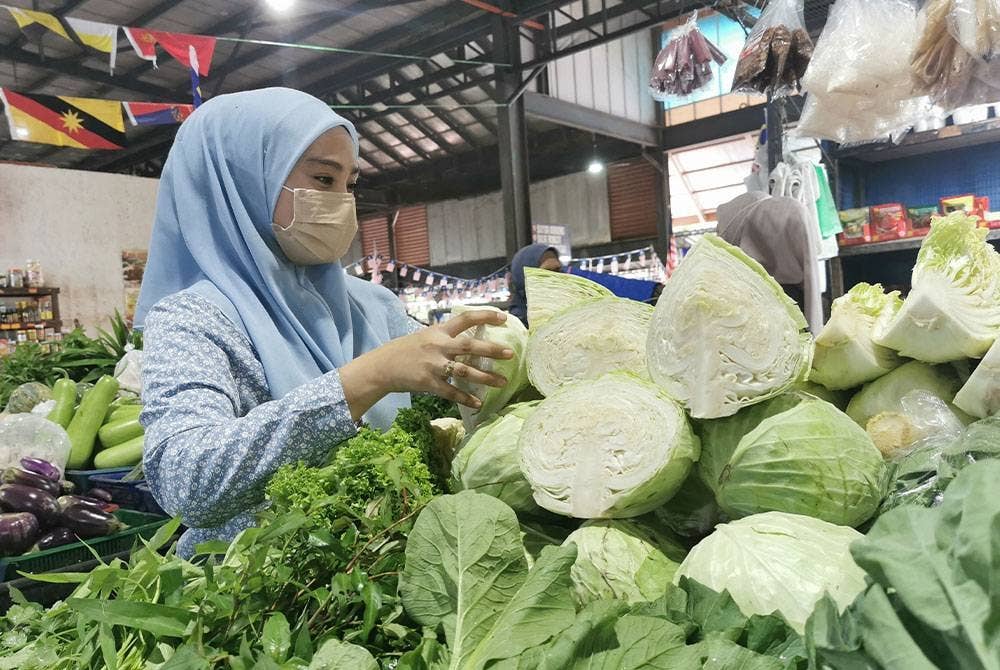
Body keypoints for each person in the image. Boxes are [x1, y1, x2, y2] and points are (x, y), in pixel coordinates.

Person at [134, 88, 511, 557]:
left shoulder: (374, 305)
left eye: (349, 183)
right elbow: (186, 480)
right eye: (322, 178)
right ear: (244, 182)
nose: (342, 201)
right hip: (255, 596)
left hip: (392, 573)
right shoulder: (194, 319)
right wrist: (367, 377)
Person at [507, 243, 561, 325]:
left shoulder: (563, 314)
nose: (555, 279)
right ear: (524, 277)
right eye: (545, 273)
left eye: (557, 271)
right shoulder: (516, 325)